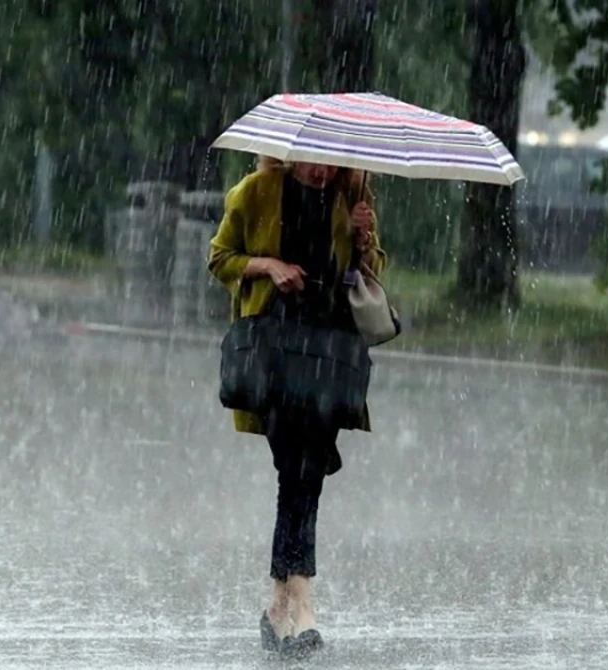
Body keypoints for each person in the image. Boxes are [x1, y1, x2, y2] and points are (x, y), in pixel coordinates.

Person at [207, 155, 387, 658]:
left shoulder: (352, 198)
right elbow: (220, 257)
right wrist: (269, 266)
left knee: (305, 472)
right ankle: (301, 600)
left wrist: (362, 238)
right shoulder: (255, 191)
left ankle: (280, 606)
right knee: (297, 469)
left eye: (332, 165)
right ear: (290, 155)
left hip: (329, 352)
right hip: (275, 354)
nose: (322, 174)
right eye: (313, 164)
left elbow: (369, 274)